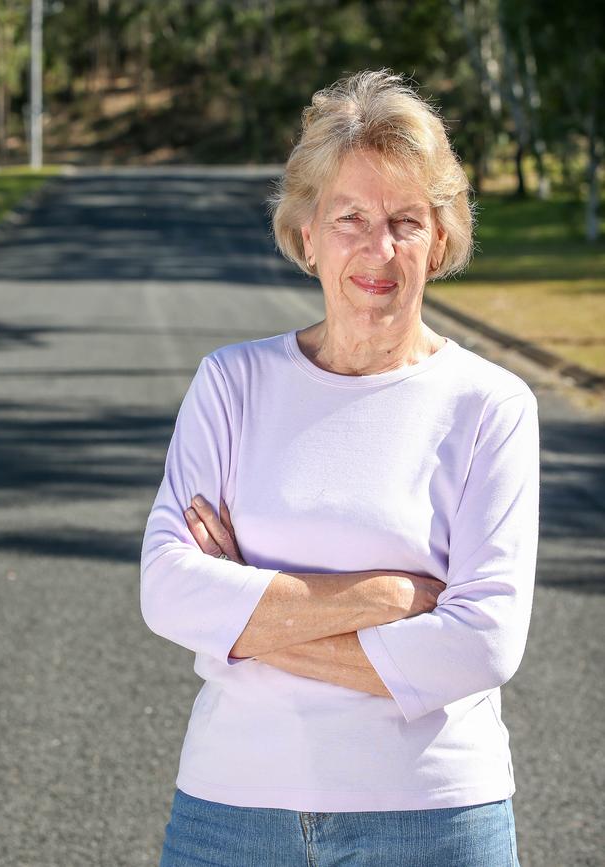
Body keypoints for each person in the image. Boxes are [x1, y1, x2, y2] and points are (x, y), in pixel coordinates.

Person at [140, 69, 539, 867]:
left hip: (432, 819)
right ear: (308, 232)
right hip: (231, 811)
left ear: (442, 237)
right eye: (351, 216)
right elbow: (167, 588)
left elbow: (483, 644)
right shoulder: (233, 382)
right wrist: (382, 598)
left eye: (405, 221)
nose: (378, 249)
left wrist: (244, 621)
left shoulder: (491, 404)